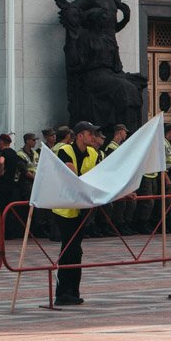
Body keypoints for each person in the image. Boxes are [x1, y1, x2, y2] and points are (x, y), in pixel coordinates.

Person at [51, 121, 102, 305]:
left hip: (82, 209)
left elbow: (101, 176)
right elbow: (72, 178)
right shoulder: (65, 150)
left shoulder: (93, 153)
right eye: (90, 134)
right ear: (80, 135)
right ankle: (62, 293)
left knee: (76, 250)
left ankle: (73, 291)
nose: (94, 137)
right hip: (64, 209)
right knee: (69, 249)